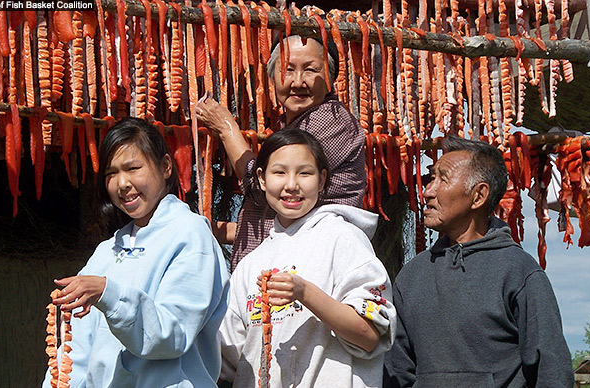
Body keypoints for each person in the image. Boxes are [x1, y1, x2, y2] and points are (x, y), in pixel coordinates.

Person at [43, 118, 229, 388]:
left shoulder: (189, 234)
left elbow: (172, 334)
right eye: (111, 173)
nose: (122, 183)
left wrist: (109, 294)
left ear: (166, 166)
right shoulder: (105, 253)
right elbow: (77, 348)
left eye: (133, 168)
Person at [383, 135, 574, 388]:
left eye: (442, 179)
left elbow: (552, 370)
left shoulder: (519, 272)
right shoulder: (412, 276)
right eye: (431, 179)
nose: (427, 191)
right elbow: (397, 370)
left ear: (478, 196)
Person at [219, 130, 395, 387]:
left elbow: (369, 334)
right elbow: (231, 359)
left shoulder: (342, 238)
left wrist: (305, 292)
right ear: (261, 179)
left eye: (305, 173)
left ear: (322, 180)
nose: (292, 185)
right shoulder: (249, 264)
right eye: (279, 172)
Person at [195, 34, 366, 272]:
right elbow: (277, 218)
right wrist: (209, 230)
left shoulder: (331, 120)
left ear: (330, 79)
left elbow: (259, 187)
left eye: (311, 70)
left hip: (306, 270)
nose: (298, 82)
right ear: (272, 77)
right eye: (288, 69)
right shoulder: (294, 124)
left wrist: (226, 128)